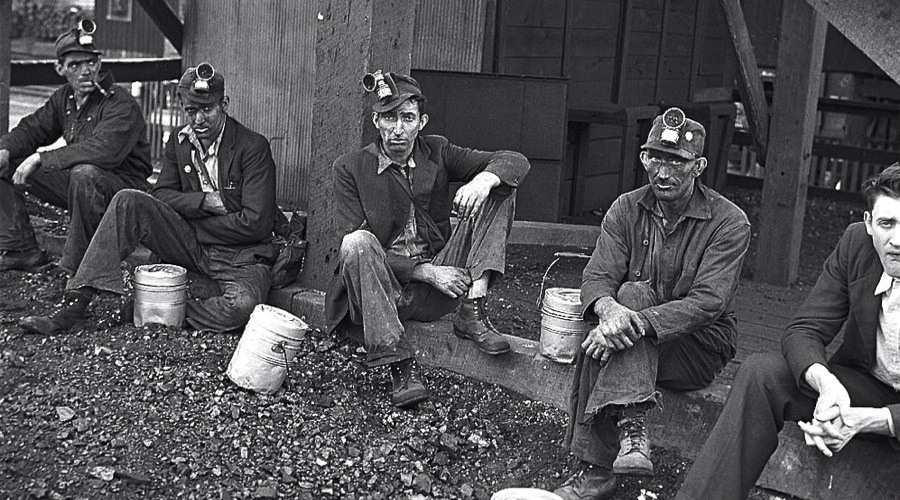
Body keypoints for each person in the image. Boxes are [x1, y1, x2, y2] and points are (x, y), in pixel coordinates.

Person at [554, 108, 751, 500]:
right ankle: (633, 430)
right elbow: (597, 276)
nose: (663, 172)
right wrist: (608, 311)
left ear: (698, 167)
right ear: (643, 158)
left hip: (698, 349)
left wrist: (631, 323)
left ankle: (596, 472)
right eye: (655, 158)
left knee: (611, 332)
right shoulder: (626, 208)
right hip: (636, 340)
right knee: (625, 301)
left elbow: (708, 302)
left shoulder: (729, 222)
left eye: (676, 162)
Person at [676, 162, 900, 500]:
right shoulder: (857, 243)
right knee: (762, 373)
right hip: (870, 388)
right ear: (869, 223)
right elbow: (805, 329)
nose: (897, 240)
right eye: (887, 223)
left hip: (884, 412)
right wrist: (825, 383)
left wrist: (869, 420)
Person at [19, 64, 280, 335]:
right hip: (192, 245)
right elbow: (162, 195)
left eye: (207, 109)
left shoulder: (252, 147)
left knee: (243, 306)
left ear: (223, 104)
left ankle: (156, 309)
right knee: (128, 201)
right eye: (191, 110)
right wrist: (204, 202)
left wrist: (192, 224)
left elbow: (256, 224)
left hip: (238, 255)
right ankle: (76, 303)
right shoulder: (180, 141)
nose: (199, 119)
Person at [324, 71, 530, 409]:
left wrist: (483, 181)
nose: (398, 129)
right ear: (376, 121)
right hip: (383, 292)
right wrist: (428, 273)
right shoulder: (349, 168)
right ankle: (399, 364)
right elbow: (359, 254)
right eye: (389, 118)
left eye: (407, 118)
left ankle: (472, 309)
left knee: (502, 186)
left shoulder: (438, 150)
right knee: (356, 242)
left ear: (422, 122)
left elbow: (514, 161)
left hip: (441, 288)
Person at [0, 21, 152, 273]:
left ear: (99, 64)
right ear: (60, 69)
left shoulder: (119, 103)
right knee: (8, 164)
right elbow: (32, 129)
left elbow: (105, 150)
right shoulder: (65, 98)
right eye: (75, 65)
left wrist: (40, 158)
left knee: (84, 173)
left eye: (91, 62)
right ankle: (22, 249)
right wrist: (4, 150)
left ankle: (76, 269)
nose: (85, 71)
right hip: (83, 187)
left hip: (125, 192)